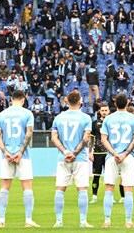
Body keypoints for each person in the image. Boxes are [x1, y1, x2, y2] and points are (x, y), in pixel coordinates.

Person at [0, 88, 39, 228]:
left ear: (11, 99)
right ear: (23, 100)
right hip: (23, 155)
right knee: (27, 187)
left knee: (4, 188)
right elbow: (29, 133)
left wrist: (5, 152)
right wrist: (20, 152)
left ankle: (1, 220)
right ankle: (28, 220)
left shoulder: (2, 114)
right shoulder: (27, 113)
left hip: (6, 155)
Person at [52, 90, 93, 228]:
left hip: (62, 158)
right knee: (82, 189)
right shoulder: (86, 118)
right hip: (80, 158)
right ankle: (83, 221)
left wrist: (65, 152)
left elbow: (54, 138)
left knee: (60, 189)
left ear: (67, 101)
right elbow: (86, 138)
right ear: (80, 101)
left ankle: (58, 221)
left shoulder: (59, 118)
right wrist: (74, 153)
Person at [100, 93, 134, 229]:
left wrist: (114, 153)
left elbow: (103, 139)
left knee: (109, 188)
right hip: (128, 156)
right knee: (128, 189)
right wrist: (124, 153)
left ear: (115, 103)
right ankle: (128, 221)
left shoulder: (108, 119)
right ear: (128, 102)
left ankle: (107, 220)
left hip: (112, 157)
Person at [91, 102, 110, 202]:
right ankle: (94, 196)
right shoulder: (95, 123)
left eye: (106, 110)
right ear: (99, 111)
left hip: (109, 153)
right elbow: (91, 138)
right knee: (96, 175)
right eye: (102, 110)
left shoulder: (112, 123)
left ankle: (108, 196)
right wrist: (90, 152)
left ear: (109, 111)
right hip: (97, 153)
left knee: (110, 176)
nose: (104, 112)